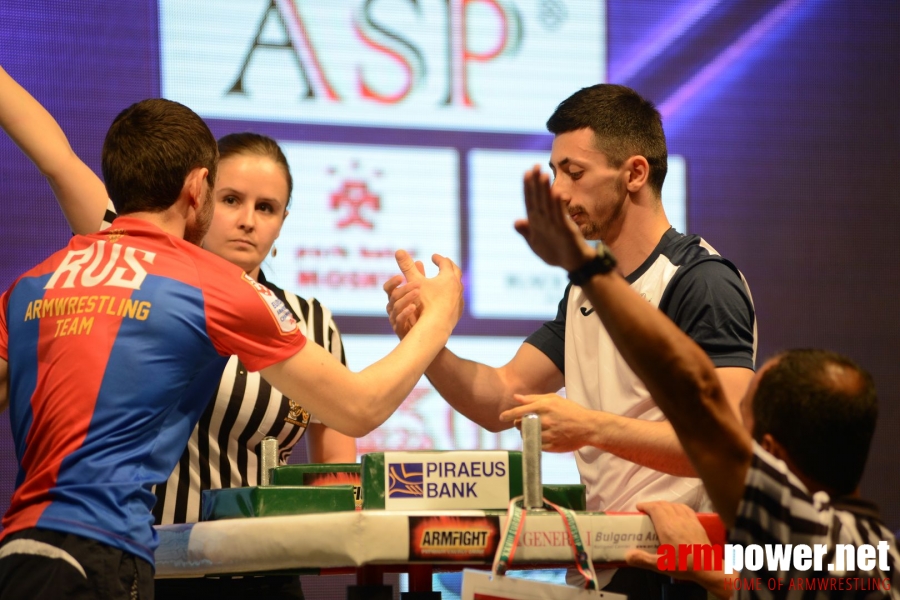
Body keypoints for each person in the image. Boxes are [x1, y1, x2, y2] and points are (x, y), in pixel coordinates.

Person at [0, 98, 463, 599]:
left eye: (266, 208)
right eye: (231, 200)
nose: (247, 221)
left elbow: (337, 471)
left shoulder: (34, 282)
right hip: (128, 555)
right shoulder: (205, 283)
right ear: (199, 190)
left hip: (48, 550)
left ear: (285, 219)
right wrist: (439, 317)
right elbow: (360, 405)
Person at [384, 83, 757, 596]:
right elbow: (502, 396)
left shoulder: (703, 282)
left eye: (573, 173)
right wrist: (424, 340)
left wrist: (592, 428)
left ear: (635, 173)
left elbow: (724, 448)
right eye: (555, 171)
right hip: (605, 563)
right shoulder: (585, 289)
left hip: (682, 567)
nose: (558, 192)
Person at [503, 165, 900, 598]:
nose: (731, 430)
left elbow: (700, 396)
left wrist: (584, 265)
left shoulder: (804, 534)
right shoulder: (880, 553)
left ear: (770, 454)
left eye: (741, 424)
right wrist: (712, 574)